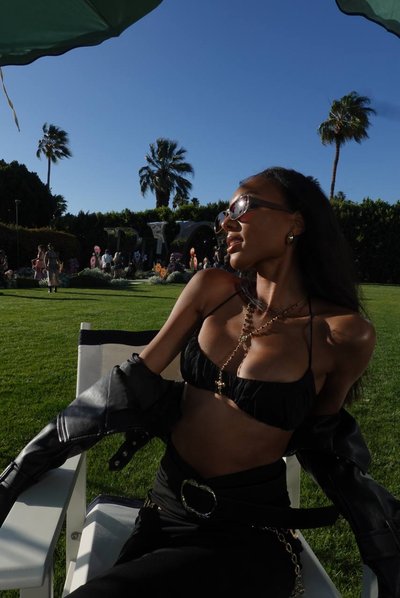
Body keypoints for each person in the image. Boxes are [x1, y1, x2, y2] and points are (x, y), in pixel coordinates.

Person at [0, 167, 399, 597]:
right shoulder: (212, 289)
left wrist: (380, 530)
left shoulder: (341, 334)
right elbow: (129, 383)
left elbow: (324, 443)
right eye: (224, 214)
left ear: (296, 222)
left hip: (250, 532)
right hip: (164, 509)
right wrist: (20, 471)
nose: (225, 223)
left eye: (241, 207)